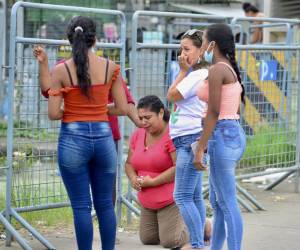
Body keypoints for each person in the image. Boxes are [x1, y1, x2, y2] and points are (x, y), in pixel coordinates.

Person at [34, 16, 128, 250]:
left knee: (81, 206)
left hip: (73, 140)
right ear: (95, 39)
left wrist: (75, 110)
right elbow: (123, 108)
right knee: (106, 204)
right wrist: (99, 109)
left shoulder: (61, 70)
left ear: (69, 40)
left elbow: (54, 113)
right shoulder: (111, 68)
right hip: (104, 138)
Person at [33, 39, 141, 209]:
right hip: (104, 132)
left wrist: (139, 121)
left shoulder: (69, 67)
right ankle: (107, 232)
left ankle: (92, 229)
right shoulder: (106, 67)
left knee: (85, 198)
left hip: (80, 133)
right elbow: (126, 102)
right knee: (104, 194)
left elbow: (126, 101)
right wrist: (44, 64)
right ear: (95, 40)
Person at [195, 23, 247, 250]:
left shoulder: (218, 70)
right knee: (218, 202)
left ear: (213, 44)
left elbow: (214, 112)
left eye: (204, 41)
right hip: (231, 133)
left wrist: (200, 147)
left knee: (226, 203)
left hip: (222, 136)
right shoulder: (227, 68)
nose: (202, 46)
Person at [125, 95, 189, 249]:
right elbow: (128, 163)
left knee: (170, 242)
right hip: (147, 201)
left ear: (161, 113)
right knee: (148, 239)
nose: (143, 122)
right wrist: (133, 178)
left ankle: (200, 226)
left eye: (148, 117)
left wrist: (153, 182)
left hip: (170, 200)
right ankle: (173, 225)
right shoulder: (138, 134)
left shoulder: (172, 134)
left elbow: (179, 167)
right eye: (140, 118)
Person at [167, 29, 208, 250]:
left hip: (189, 139)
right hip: (187, 139)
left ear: (201, 50)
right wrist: (184, 71)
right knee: (193, 195)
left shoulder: (197, 75)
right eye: (180, 48)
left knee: (181, 196)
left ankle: (197, 244)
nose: (181, 54)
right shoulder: (195, 73)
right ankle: (199, 241)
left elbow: (171, 95)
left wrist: (182, 71)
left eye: (186, 49)